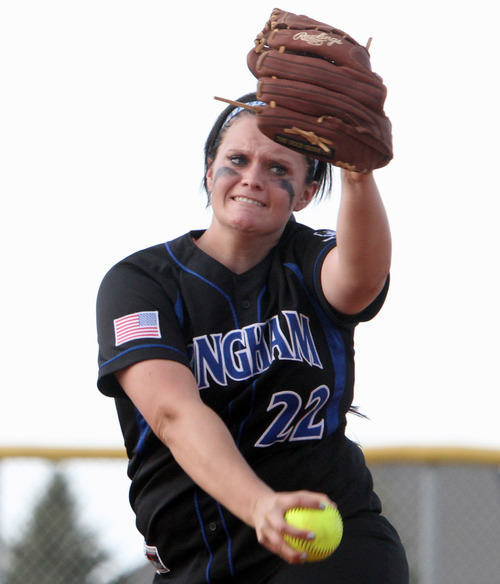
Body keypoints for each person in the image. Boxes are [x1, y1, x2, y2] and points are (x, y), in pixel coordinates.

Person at [96, 92, 409, 584]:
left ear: (306, 194)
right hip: (194, 562)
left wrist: (357, 173)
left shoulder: (309, 259)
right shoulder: (141, 282)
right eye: (236, 160)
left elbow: (358, 280)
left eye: (279, 169)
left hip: (331, 547)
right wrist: (258, 504)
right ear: (208, 171)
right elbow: (172, 412)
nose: (253, 178)